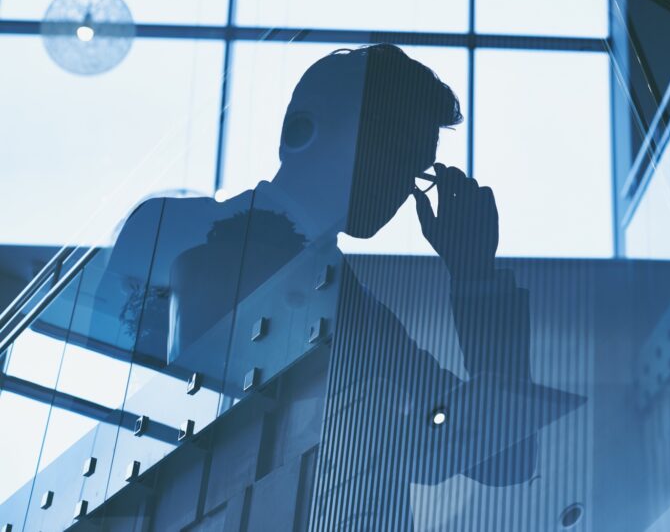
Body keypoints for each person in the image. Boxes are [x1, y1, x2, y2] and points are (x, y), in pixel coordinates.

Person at [92, 44, 580, 528]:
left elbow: (507, 456)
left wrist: (475, 278)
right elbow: (138, 391)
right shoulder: (174, 231)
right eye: (391, 150)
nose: (401, 186)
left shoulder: (358, 310)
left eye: (416, 169)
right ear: (300, 133)